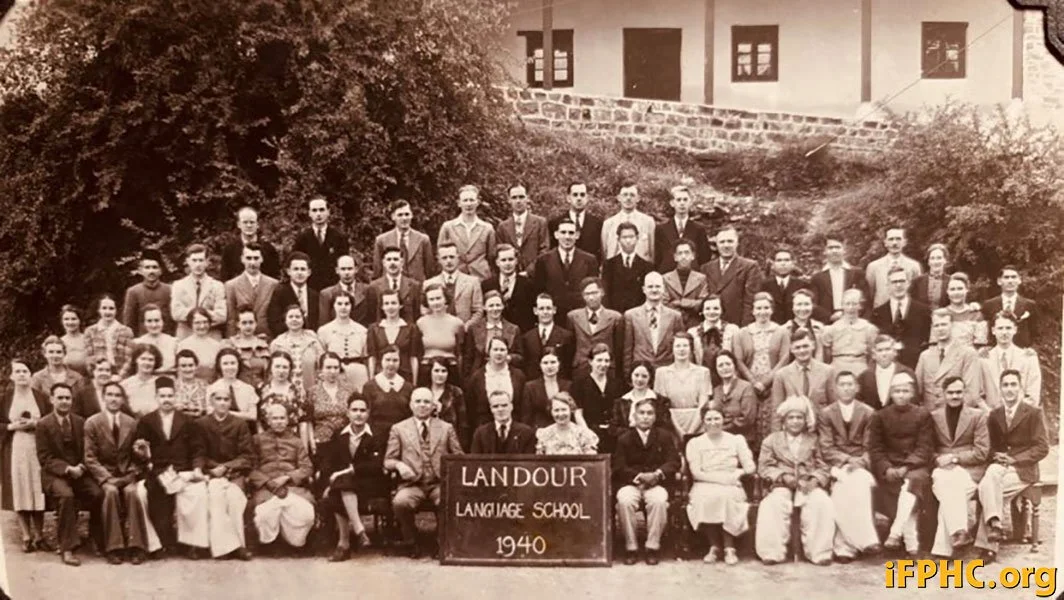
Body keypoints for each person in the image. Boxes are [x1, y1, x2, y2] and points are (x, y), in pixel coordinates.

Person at [974, 369, 1049, 563]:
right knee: (990, 481)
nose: (1009, 389)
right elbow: (988, 447)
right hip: (999, 466)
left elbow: (1042, 448)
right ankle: (995, 524)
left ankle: (990, 543)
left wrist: (1015, 459)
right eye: (1005, 385)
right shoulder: (994, 414)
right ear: (1000, 389)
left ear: (1021, 387)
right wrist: (996, 455)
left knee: (987, 487)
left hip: (1023, 469)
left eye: (1013, 384)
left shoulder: (1033, 413)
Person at [134, 376, 210, 559]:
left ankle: (192, 544)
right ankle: (155, 544)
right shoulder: (146, 421)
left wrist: (197, 468)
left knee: (197, 493)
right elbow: (139, 452)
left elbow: (198, 450)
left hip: (183, 471)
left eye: (170, 396)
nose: (166, 399)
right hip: (156, 471)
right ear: (156, 397)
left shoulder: (188, 421)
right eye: (162, 396)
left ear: (176, 397)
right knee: (142, 493)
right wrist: (142, 455)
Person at [385, 388, 464, 558]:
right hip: (412, 484)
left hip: (438, 483)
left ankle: (440, 541)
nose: (422, 405)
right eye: (418, 401)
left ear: (433, 406)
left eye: (426, 402)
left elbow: (458, 456)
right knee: (400, 502)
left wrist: (449, 475)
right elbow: (388, 460)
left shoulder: (446, 428)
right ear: (411, 405)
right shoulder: (399, 429)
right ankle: (411, 541)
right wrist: (399, 465)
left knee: (447, 499)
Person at [755, 396, 834, 566]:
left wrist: (815, 479)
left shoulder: (813, 440)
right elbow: (764, 466)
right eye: (791, 418)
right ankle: (772, 551)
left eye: (799, 417)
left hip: (808, 483)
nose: (795, 422)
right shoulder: (772, 440)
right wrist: (783, 476)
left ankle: (819, 552)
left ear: (806, 420)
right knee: (773, 504)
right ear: (784, 420)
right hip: (782, 484)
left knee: (821, 502)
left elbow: (823, 465)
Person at [35, 383, 104, 566]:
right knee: (66, 496)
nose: (64, 401)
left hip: (80, 471)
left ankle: (95, 538)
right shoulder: (43, 424)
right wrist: (67, 469)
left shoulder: (81, 422)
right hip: (55, 474)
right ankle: (67, 547)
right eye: (60, 398)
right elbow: (45, 458)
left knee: (98, 493)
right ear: (51, 399)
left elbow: (88, 450)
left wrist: (81, 466)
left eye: (68, 398)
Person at [867, 372, 934, 557]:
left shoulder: (922, 414)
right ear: (891, 393)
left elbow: (924, 447)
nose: (901, 395)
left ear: (912, 392)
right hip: (890, 466)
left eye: (905, 391)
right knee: (907, 494)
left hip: (915, 466)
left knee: (912, 485)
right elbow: (875, 448)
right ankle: (912, 546)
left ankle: (896, 533)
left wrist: (907, 466)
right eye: (897, 391)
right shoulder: (880, 416)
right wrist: (886, 467)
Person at [84, 381, 151, 564]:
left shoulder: (131, 423)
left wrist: (134, 471)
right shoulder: (93, 422)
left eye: (117, 395)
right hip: (105, 475)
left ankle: (137, 546)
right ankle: (114, 547)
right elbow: (90, 458)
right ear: (104, 397)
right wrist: (106, 478)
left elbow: (137, 456)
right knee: (111, 493)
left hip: (126, 474)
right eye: (110, 395)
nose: (114, 399)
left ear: (122, 400)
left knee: (132, 493)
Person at [816, 371, 879, 562]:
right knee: (842, 485)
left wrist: (859, 462)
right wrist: (846, 461)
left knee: (858, 483)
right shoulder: (826, 413)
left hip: (861, 463)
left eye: (850, 384)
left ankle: (846, 547)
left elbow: (870, 446)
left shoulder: (868, 412)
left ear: (857, 387)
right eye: (842, 384)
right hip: (837, 463)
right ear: (835, 389)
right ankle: (863, 541)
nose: (846, 388)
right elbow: (826, 447)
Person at [317, 396, 389, 561]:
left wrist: (346, 472)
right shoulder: (339, 435)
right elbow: (328, 463)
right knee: (338, 490)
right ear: (348, 413)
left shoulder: (377, 435)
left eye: (362, 410)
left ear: (368, 413)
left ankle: (344, 544)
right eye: (354, 410)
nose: (358, 414)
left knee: (340, 487)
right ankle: (359, 532)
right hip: (344, 487)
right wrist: (330, 482)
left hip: (369, 484)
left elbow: (377, 465)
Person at [612, 398, 679, 566]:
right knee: (625, 500)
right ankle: (631, 547)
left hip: (656, 483)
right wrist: (639, 476)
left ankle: (652, 547)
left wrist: (657, 474)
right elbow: (619, 466)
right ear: (634, 416)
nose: (645, 417)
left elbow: (673, 462)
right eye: (641, 413)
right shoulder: (624, 438)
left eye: (650, 413)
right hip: (632, 483)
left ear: (655, 417)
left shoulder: (664, 436)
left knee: (659, 501)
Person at [686, 405, 755, 565]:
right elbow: (696, 473)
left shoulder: (736, 440)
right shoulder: (695, 443)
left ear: (724, 420)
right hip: (705, 482)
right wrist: (723, 480)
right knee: (709, 497)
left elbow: (750, 466)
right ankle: (714, 546)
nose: (713, 422)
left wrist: (738, 473)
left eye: (717, 418)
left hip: (731, 481)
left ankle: (729, 547)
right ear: (703, 422)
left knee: (726, 497)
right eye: (708, 419)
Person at [928, 376, 989, 558]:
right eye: (951, 392)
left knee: (949, 486)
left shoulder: (977, 416)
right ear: (944, 394)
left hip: (969, 471)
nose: (955, 396)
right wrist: (938, 459)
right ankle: (960, 531)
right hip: (941, 468)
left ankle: (943, 549)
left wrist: (954, 458)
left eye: (958, 392)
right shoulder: (933, 417)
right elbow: (926, 448)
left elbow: (982, 452)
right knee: (947, 482)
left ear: (964, 393)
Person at [195, 387, 254, 560]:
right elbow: (198, 453)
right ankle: (222, 547)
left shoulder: (239, 424)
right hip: (211, 473)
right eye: (218, 399)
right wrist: (212, 468)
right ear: (211, 402)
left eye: (226, 399)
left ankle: (239, 546)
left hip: (234, 473)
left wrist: (227, 467)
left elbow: (247, 455)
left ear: (230, 402)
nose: (222, 403)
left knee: (235, 500)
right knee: (216, 498)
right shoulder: (201, 424)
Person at [0, 359, 51, 552]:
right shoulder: (5, 398)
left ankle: (39, 536)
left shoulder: (40, 397)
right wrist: (11, 426)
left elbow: (49, 420)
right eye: (18, 372)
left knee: (37, 489)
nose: (22, 375)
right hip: (15, 448)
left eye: (25, 371)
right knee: (20, 490)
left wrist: (35, 425)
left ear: (31, 375)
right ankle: (26, 536)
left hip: (37, 448)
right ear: (12, 376)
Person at [733, 292, 790, 447]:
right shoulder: (742, 333)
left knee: (772, 418)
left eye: (766, 308)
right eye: (758, 308)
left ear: (771, 310)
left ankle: (771, 453)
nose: (762, 312)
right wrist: (753, 382)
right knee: (751, 417)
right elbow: (738, 360)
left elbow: (784, 358)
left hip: (774, 382)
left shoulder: (782, 332)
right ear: (752, 311)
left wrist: (765, 382)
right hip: (749, 383)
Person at [533, 218, 601, 326]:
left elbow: (593, 291)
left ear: (577, 235)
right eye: (563, 232)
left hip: (580, 318)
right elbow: (539, 291)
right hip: (554, 318)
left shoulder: (589, 260)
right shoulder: (543, 260)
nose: (567, 237)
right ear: (556, 235)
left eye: (571, 233)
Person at [914, 308, 982, 410]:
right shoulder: (925, 356)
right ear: (932, 328)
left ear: (953, 326)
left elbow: (972, 394)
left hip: (955, 414)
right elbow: (916, 391)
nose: (940, 329)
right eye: (937, 325)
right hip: (929, 416)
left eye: (944, 324)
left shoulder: (968, 353)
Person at [770, 329, 836, 431]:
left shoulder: (828, 371)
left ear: (813, 346)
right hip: (793, 430)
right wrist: (777, 437)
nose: (802, 351)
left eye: (805, 346)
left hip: (821, 430)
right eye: (797, 347)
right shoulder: (782, 375)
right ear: (791, 349)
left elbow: (833, 406)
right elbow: (776, 410)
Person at [623, 272, 684, 377]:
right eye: (650, 287)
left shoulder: (675, 316)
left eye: (657, 286)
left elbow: (680, 345)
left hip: (667, 371)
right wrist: (628, 373)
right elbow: (628, 349)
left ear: (663, 289)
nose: (654, 290)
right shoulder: (631, 315)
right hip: (641, 373)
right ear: (644, 289)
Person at [870, 266, 931, 369]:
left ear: (908, 283)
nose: (898, 285)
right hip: (887, 367)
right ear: (888, 285)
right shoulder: (878, 313)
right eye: (894, 282)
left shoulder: (923, 311)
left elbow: (927, 339)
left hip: (916, 364)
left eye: (902, 281)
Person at [700, 226, 762, 326]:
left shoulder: (749, 267)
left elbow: (750, 302)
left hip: (736, 324)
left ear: (737, 243)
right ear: (716, 244)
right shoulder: (706, 268)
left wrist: (745, 328)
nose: (726, 245)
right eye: (722, 242)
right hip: (711, 322)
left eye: (730, 241)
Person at [654, 332, 712, 439]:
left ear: (691, 349)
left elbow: (703, 405)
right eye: (678, 346)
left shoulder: (703, 372)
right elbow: (663, 406)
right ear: (672, 349)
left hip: (697, 424)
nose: (681, 349)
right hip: (671, 425)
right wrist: (679, 431)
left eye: (685, 345)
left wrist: (690, 432)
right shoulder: (661, 373)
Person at [570, 343, 624, 451]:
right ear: (591, 362)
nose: (603, 364)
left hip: (614, 434)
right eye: (599, 360)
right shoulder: (579, 384)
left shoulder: (617, 384)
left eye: (606, 361)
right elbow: (578, 412)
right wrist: (586, 433)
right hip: (589, 431)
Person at [436, 184, 497, 280]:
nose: (468, 204)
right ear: (459, 203)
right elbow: (441, 255)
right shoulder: (448, 227)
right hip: (456, 278)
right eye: (465, 200)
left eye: (472, 200)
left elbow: (492, 257)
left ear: (478, 202)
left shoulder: (487, 228)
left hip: (481, 278)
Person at [567, 277, 623, 379]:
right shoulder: (573, 317)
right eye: (587, 294)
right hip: (581, 368)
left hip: (606, 368)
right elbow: (571, 345)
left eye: (594, 293)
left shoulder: (615, 317)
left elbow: (618, 348)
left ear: (602, 293)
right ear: (583, 296)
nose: (591, 298)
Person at [981, 313, 1041, 409]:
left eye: (1008, 328)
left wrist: (1012, 412)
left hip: (1020, 417)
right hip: (990, 416)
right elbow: (978, 395)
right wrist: (991, 414)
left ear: (1015, 330)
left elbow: (1033, 396)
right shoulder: (983, 359)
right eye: (1000, 328)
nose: (1004, 332)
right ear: (993, 331)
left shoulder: (1028, 358)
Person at [302, 353, 354, 461]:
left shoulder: (350, 390)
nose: (333, 371)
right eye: (328, 367)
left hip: (346, 441)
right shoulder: (312, 392)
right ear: (320, 370)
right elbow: (309, 420)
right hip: (321, 441)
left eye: (336, 367)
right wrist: (311, 441)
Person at [608, 361, 676, 443]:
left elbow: (665, 428)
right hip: (628, 445)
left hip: (654, 445)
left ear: (650, 378)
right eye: (636, 375)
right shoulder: (621, 402)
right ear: (631, 376)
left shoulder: (661, 401)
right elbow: (613, 429)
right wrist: (633, 434)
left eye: (644, 376)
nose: (639, 379)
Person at [466, 337, 526, 429]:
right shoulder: (477, 377)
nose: (499, 353)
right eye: (495, 349)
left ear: (507, 353)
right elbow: (471, 408)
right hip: (484, 428)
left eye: (502, 350)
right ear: (488, 352)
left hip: (513, 427)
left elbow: (523, 406)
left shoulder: (518, 376)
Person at [318, 291, 371, 392]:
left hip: (358, 372)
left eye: (347, 304)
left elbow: (366, 357)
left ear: (351, 306)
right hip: (335, 372)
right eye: (339, 304)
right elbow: (322, 357)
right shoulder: (324, 330)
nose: (343, 307)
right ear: (333, 306)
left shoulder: (362, 330)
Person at [292, 197, 349, 291]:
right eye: (314, 210)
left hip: (332, 288)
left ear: (328, 212)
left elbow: (343, 263)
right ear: (309, 213)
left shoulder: (339, 237)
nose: (318, 214)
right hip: (310, 288)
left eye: (321, 210)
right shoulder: (302, 238)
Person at [171, 244, 227, 340]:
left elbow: (221, 315)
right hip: (186, 335)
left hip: (211, 335)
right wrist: (204, 314)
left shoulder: (217, 286)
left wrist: (193, 314)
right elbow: (176, 313)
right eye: (194, 260)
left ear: (207, 262)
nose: (198, 264)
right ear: (188, 261)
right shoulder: (178, 285)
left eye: (201, 260)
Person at [462, 291, 521, 380]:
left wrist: (509, 358)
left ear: (503, 306)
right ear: (484, 307)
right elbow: (468, 358)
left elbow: (520, 357)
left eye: (498, 305)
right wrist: (468, 380)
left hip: (505, 374)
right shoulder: (474, 329)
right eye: (491, 305)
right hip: (480, 376)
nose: (495, 309)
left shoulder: (513, 329)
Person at [367, 289, 422, 385]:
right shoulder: (374, 329)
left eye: (393, 303)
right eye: (386, 303)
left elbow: (413, 357)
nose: (390, 307)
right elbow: (372, 357)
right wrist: (372, 381)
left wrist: (414, 383)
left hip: (405, 376)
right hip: (381, 377)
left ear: (400, 305)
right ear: (382, 307)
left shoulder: (411, 328)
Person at [373, 199, 435, 283]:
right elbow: (377, 272)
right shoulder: (382, 240)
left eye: (407, 214)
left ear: (412, 215)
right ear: (393, 217)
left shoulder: (423, 240)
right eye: (400, 215)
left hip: (417, 290)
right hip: (390, 290)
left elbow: (429, 271)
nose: (404, 218)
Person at [224, 243, 279, 337]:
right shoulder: (231, 285)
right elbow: (231, 319)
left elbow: (277, 316)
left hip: (267, 337)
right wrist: (232, 340)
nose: (252, 263)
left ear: (262, 259)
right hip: (242, 338)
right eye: (248, 258)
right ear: (242, 259)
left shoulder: (274, 284)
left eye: (256, 258)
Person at [809, 236, 868, 323]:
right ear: (825, 251)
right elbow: (813, 303)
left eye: (837, 247)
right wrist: (830, 317)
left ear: (844, 250)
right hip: (827, 322)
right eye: (830, 248)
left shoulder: (857, 274)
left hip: (854, 319)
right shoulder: (817, 277)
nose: (834, 251)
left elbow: (866, 299)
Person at [424, 242, 484, 328]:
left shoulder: (472, 282)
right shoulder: (429, 283)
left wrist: (466, 327)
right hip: (438, 331)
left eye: (452, 257)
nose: (448, 261)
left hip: (465, 332)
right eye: (444, 258)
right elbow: (425, 311)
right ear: (439, 260)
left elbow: (478, 311)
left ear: (458, 258)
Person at [416, 283, 465, 387]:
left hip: (450, 370)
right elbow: (418, 352)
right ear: (427, 302)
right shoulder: (421, 323)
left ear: (445, 299)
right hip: (427, 370)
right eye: (432, 299)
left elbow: (460, 354)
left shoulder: (457, 323)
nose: (436, 302)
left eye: (438, 298)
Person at [821, 288, 877, 377]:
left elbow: (871, 352)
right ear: (842, 305)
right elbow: (827, 355)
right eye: (847, 304)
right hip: (837, 365)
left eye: (854, 304)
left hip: (860, 365)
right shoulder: (831, 329)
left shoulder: (868, 328)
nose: (851, 308)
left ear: (860, 306)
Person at [481, 244, 536, 332]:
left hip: (522, 333)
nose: (507, 263)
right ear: (497, 262)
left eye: (511, 259)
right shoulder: (487, 285)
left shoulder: (528, 285)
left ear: (516, 261)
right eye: (503, 260)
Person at [655, 185, 710, 273]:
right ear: (672, 203)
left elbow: (704, 257)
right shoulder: (661, 229)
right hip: (668, 275)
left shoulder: (699, 229)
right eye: (678, 200)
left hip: (692, 276)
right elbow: (657, 257)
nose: (682, 203)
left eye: (685, 200)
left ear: (690, 202)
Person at [496, 184, 549, 275]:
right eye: (514, 197)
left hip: (534, 275)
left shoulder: (540, 223)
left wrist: (530, 271)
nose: (518, 201)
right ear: (509, 200)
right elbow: (500, 252)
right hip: (511, 275)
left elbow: (544, 250)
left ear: (527, 198)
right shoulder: (503, 227)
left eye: (521, 197)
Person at [269, 304, 325, 392]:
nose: (294, 319)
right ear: (285, 320)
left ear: (303, 320)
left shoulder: (313, 341)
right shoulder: (277, 343)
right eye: (291, 317)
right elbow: (271, 371)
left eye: (297, 317)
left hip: (311, 389)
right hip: (285, 392)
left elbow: (322, 366)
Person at [361, 345, 414, 438]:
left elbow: (410, 416)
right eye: (387, 360)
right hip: (377, 434)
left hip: (402, 435)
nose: (391, 364)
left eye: (395, 360)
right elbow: (366, 415)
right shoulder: (369, 387)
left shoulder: (408, 387)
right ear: (381, 361)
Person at [864, 227, 923, 309]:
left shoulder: (914, 266)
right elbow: (870, 295)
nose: (894, 243)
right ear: (885, 243)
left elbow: (917, 294)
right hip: (881, 315)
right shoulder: (873, 267)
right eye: (891, 239)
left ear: (904, 242)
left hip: (906, 313)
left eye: (898, 239)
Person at [520, 294, 574, 381]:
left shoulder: (566, 336)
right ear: (535, 311)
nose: (545, 312)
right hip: (535, 386)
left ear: (554, 310)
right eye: (541, 309)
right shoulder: (527, 337)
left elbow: (568, 365)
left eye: (548, 308)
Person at [980, 266, 1037, 348]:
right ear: (999, 281)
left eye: (1014, 277)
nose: (1010, 281)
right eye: (1006, 277)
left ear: (1019, 280)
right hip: (996, 353)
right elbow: (985, 332)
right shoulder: (989, 305)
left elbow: (1036, 333)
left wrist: (1031, 349)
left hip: (1021, 353)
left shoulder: (1029, 305)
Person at [220, 206, 282, 281]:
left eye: (252, 222)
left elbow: (274, 278)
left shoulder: (269, 249)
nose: (249, 225)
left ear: (257, 224)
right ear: (239, 224)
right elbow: (225, 278)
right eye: (245, 222)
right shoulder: (229, 250)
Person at [711, 351, 758, 449]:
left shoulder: (746, 387)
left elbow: (748, 419)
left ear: (734, 366)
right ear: (716, 369)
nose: (725, 368)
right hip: (720, 441)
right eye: (720, 365)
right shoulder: (716, 390)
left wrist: (722, 427)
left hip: (743, 440)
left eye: (728, 364)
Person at [602, 222, 652, 315]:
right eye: (624, 237)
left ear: (637, 238)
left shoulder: (647, 266)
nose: (628, 241)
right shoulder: (609, 265)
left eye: (631, 237)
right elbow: (606, 293)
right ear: (618, 239)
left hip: (638, 315)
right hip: (615, 313)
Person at [267, 252, 321, 337]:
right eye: (296, 269)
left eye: (303, 269)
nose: (299, 273)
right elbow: (274, 321)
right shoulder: (280, 293)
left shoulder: (314, 295)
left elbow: (317, 321)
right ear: (288, 271)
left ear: (309, 272)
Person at [857, 334, 917, 411]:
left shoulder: (906, 373)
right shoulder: (865, 376)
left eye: (887, 349)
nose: (884, 354)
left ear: (895, 352)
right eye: (880, 350)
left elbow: (914, 401)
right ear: (873, 355)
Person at [123, 249, 174, 336]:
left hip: (166, 339)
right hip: (142, 340)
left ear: (160, 271)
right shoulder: (133, 292)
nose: (151, 271)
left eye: (154, 267)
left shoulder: (169, 290)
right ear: (141, 271)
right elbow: (129, 322)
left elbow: (173, 320)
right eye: (147, 267)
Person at [690, 295, 739, 385]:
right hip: (701, 382)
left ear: (722, 310)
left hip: (728, 381)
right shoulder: (693, 333)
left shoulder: (732, 330)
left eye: (716, 308)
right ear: (702, 311)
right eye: (707, 309)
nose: (711, 312)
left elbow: (738, 359)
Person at [548, 182, 603, 260]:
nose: (579, 198)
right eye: (575, 195)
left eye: (582, 195)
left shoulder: (597, 224)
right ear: (568, 198)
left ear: (587, 198)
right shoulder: (555, 223)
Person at [601, 182, 655, 262]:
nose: (628, 198)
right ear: (619, 198)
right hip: (615, 270)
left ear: (638, 198)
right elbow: (605, 252)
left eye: (632, 195)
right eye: (625, 195)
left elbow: (652, 252)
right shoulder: (608, 224)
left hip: (641, 270)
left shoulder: (648, 222)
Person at [368, 245, 423, 323]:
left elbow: (417, 314)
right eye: (389, 260)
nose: (392, 263)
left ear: (402, 262)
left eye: (396, 259)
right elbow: (371, 315)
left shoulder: (414, 286)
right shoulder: (374, 287)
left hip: (408, 331)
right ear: (384, 263)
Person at [470, 390, 536, 454]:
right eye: (495, 406)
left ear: (511, 406)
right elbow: (475, 462)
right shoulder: (480, 434)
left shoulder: (526, 433)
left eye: (504, 405)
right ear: (491, 409)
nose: (500, 409)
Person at [206, 348, 260, 425]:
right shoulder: (212, 388)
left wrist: (224, 413)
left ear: (238, 365)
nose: (230, 367)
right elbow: (210, 413)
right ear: (219, 366)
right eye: (225, 364)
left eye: (233, 363)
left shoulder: (248, 388)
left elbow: (252, 416)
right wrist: (242, 414)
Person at [520, 348, 571, 430]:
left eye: (553, 362)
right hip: (539, 430)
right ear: (540, 365)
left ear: (559, 364)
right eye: (545, 363)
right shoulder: (530, 387)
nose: (549, 366)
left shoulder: (568, 386)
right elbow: (526, 416)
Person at [663, 239, 708, 329]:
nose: (683, 256)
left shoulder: (701, 278)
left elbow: (702, 303)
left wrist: (680, 303)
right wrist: (691, 304)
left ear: (693, 256)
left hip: (695, 323)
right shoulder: (665, 278)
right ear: (675, 257)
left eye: (687, 253)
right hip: (671, 323)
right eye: (680, 253)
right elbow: (665, 304)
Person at [84, 294, 135, 372]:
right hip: (99, 373)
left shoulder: (126, 331)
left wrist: (120, 376)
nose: (107, 312)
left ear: (116, 310)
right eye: (104, 308)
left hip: (120, 374)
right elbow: (89, 358)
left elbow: (129, 359)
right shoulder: (90, 331)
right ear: (99, 310)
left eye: (111, 308)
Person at [426, 358, 469, 450]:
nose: (440, 374)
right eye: (436, 371)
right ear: (430, 372)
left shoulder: (456, 392)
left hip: (449, 441)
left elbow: (463, 423)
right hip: (427, 441)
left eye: (443, 371)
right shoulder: (423, 392)